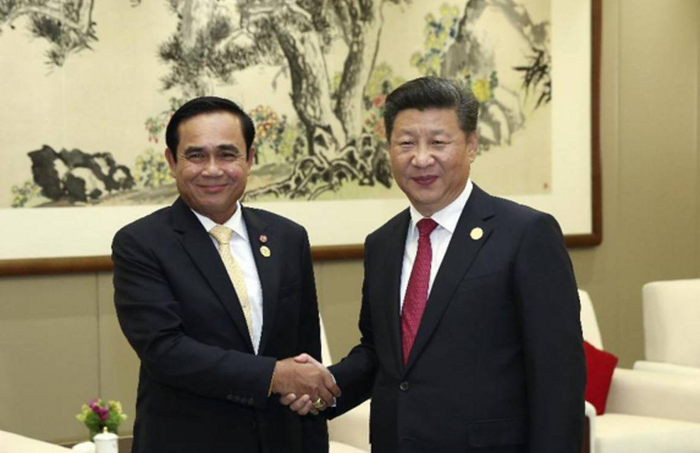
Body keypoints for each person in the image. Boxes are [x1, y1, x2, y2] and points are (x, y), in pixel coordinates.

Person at [285, 77, 586, 452]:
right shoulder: (382, 243)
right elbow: (381, 354)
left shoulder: (526, 234)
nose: (421, 158)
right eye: (406, 143)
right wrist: (324, 385)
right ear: (389, 148)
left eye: (438, 142)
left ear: (471, 145)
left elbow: (558, 376)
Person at [112, 96, 339, 453]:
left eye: (227, 154)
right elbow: (164, 351)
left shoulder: (288, 237)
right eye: (196, 155)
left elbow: (305, 356)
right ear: (172, 161)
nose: (212, 169)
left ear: (250, 159)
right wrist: (275, 376)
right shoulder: (141, 243)